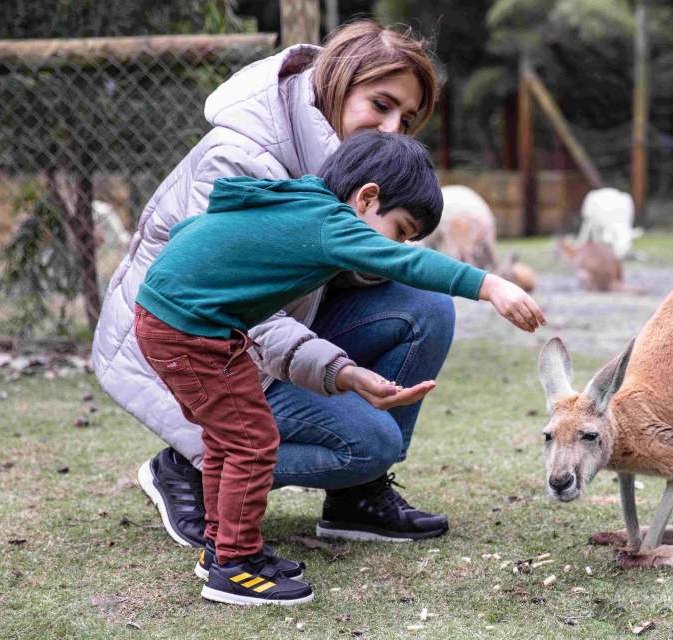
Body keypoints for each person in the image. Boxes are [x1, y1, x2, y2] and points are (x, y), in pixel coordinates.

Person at [91, 21, 471, 550]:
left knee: (426, 307)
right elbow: (234, 306)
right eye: (380, 105)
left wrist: (372, 253)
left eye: (405, 119)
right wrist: (340, 369)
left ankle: (357, 501)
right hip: (196, 351)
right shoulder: (240, 157)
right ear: (338, 84)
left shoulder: (350, 166)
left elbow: (323, 279)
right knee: (368, 442)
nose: (391, 129)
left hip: (267, 340)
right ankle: (192, 470)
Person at [136, 131, 543, 605]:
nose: (398, 246)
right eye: (401, 228)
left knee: (230, 439)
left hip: (188, 320)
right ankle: (234, 567)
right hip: (187, 329)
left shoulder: (299, 206)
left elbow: (196, 232)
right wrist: (490, 285)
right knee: (251, 441)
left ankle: (220, 548)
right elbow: (403, 262)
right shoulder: (330, 222)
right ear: (367, 199)